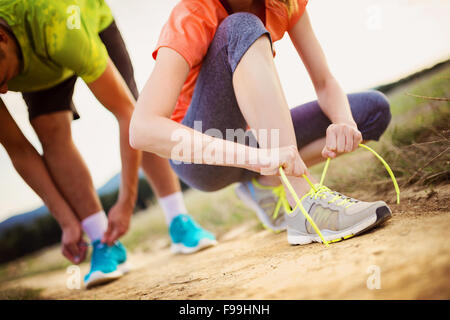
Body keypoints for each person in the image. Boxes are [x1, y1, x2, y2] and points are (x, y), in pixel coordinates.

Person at [130, 0, 393, 244]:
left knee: (372, 111)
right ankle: (303, 202)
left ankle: (264, 185)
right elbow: (142, 130)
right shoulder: (192, 14)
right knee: (240, 26)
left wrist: (343, 121)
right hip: (200, 158)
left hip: (255, 142)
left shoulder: (284, 4)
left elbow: (324, 82)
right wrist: (257, 158)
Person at [0, 0, 216, 288]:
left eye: (0, 78)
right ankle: (104, 241)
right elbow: (19, 151)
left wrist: (126, 203)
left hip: (82, 23)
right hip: (40, 60)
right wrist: (65, 220)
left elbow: (129, 116)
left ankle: (179, 219)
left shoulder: (59, 26)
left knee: (142, 110)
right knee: (50, 131)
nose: (3, 90)